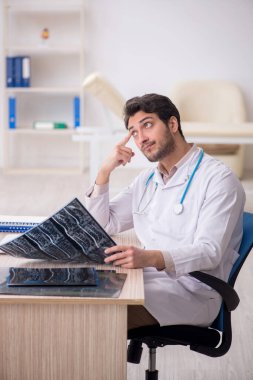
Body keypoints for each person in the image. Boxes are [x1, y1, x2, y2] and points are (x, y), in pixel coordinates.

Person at [85, 93, 245, 330]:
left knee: (95, 319)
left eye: (147, 125)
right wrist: (104, 171)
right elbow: (103, 224)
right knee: (79, 301)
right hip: (147, 277)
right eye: (134, 132)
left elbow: (210, 252)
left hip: (192, 292)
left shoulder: (218, 179)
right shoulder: (148, 179)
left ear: (172, 124)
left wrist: (149, 257)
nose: (141, 139)